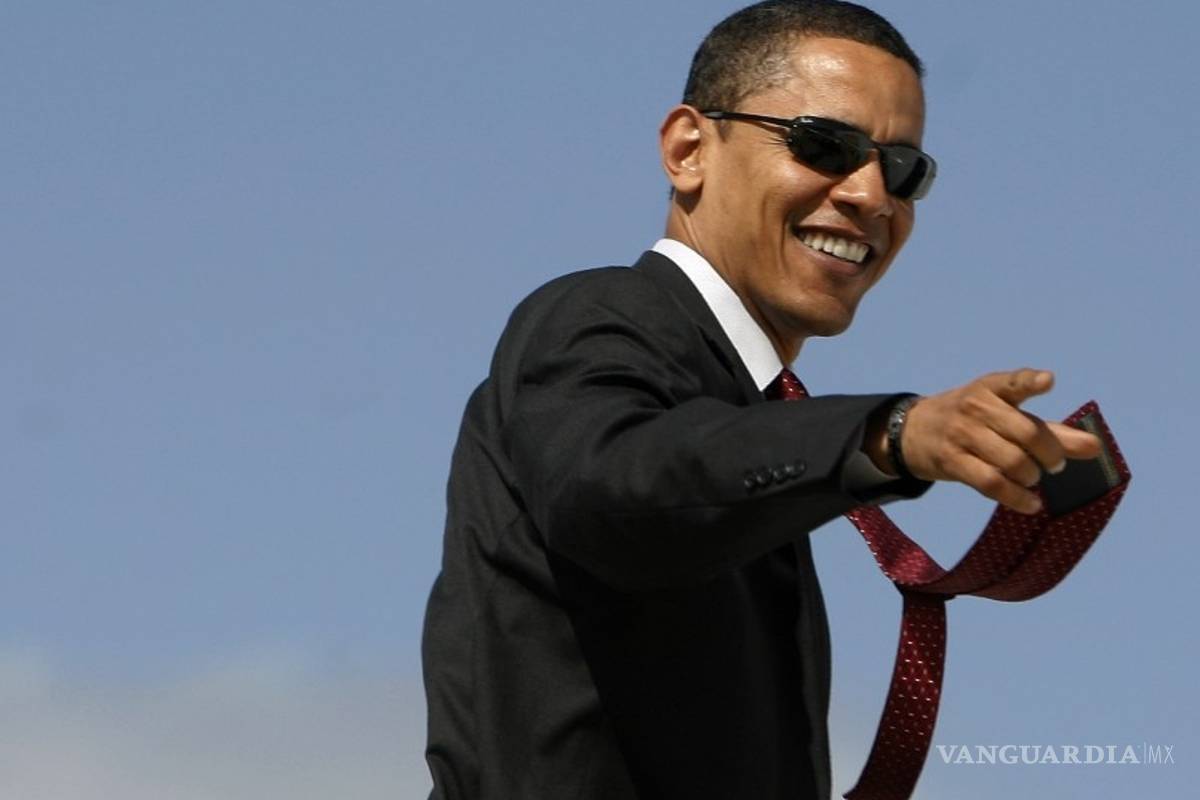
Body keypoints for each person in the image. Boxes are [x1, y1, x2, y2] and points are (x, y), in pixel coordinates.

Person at [421, 1, 1101, 798]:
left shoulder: (756, 425)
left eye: (904, 169)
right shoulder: (598, 318)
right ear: (688, 149)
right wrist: (889, 435)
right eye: (825, 144)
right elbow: (618, 489)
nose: (872, 195)